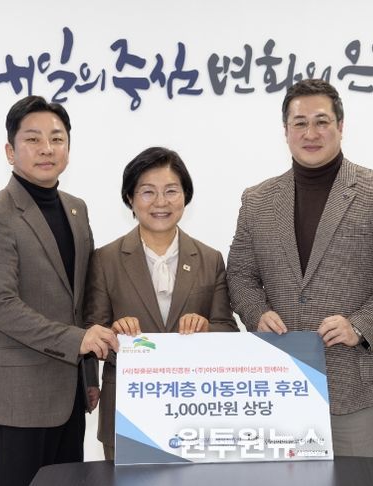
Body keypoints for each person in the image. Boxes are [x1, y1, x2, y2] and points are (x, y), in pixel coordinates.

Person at [226, 79, 373, 457]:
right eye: (299, 123)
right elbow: (240, 275)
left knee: (361, 481)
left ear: (340, 126)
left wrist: (359, 326)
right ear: (285, 131)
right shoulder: (257, 200)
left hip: (356, 379)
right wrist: (256, 313)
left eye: (321, 122)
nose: (310, 133)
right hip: (281, 379)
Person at [0, 96, 119, 486]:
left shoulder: (76, 209)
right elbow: (2, 307)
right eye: (33, 139)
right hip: (19, 397)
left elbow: (80, 302)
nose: (47, 148)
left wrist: (89, 374)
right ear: (10, 151)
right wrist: (77, 340)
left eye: (57, 138)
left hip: (70, 395)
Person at [83, 146, 239, 460]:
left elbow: (228, 330)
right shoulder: (105, 259)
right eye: (147, 192)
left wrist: (206, 328)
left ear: (185, 196)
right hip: (126, 414)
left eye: (171, 191)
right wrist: (114, 333)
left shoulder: (209, 259)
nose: (160, 202)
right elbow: (91, 330)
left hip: (195, 410)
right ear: (130, 198)